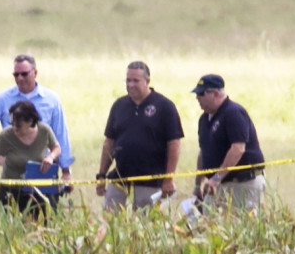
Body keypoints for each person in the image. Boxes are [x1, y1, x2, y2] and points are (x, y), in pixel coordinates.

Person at [0, 54, 74, 194]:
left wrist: (66, 171)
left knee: (44, 213)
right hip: (14, 173)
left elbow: (60, 136)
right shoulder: (3, 99)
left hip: (42, 171)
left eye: (24, 74)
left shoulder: (51, 100)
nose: (20, 78)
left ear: (35, 73)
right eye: (16, 75)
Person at [96, 61, 184, 211]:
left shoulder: (165, 106)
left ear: (147, 81)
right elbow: (109, 143)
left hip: (150, 178)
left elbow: (174, 144)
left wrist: (168, 179)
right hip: (120, 176)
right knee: (109, 219)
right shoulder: (119, 105)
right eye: (128, 80)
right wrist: (101, 175)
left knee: (146, 224)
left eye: (135, 81)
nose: (130, 85)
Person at [191, 74, 266, 213]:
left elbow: (238, 149)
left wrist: (216, 178)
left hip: (242, 183)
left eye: (201, 94)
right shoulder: (204, 119)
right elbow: (204, 151)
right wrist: (197, 185)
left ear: (214, 93)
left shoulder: (233, 112)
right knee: (210, 227)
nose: (197, 98)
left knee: (240, 226)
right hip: (217, 185)